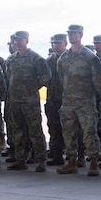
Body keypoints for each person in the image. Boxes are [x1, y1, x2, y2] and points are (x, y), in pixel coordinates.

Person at [56, 25, 101, 176]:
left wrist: (93, 97)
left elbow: (98, 81)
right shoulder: (64, 57)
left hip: (85, 101)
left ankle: (94, 162)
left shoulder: (90, 57)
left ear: (81, 35)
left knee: (89, 132)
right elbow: (61, 77)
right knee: (68, 132)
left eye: (74, 33)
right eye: (69, 34)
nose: (71, 36)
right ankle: (72, 161)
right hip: (68, 101)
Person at [5, 30, 50, 172]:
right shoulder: (11, 59)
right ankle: (21, 159)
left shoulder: (35, 58)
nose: (17, 42)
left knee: (35, 130)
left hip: (30, 101)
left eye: (20, 40)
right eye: (15, 40)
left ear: (27, 41)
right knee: (17, 130)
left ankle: (41, 160)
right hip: (15, 101)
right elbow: (8, 76)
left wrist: (33, 87)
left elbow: (46, 75)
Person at [45, 33, 67, 165]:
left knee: (72, 128)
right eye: (53, 43)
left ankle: (77, 156)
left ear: (65, 44)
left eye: (58, 43)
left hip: (68, 99)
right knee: (53, 126)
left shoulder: (70, 58)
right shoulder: (49, 61)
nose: (55, 46)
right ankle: (57, 154)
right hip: (53, 98)